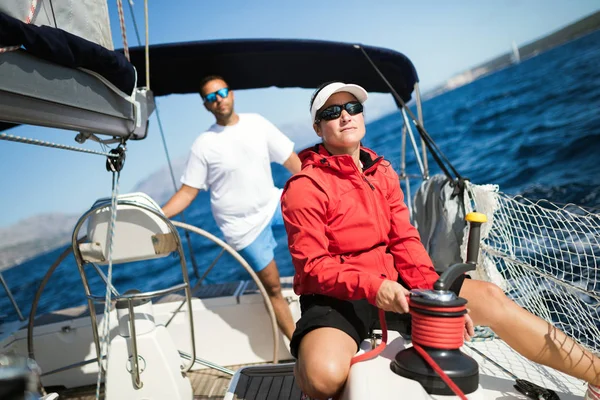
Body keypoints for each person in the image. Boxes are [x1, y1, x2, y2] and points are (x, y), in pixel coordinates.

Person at [280, 81, 600, 400]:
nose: (346, 116)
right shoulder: (304, 187)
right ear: (318, 127)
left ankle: (597, 374)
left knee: (491, 297)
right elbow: (312, 267)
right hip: (337, 299)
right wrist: (373, 288)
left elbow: (405, 241)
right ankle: (304, 362)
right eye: (332, 112)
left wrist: (436, 296)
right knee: (322, 377)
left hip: (399, 286)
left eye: (353, 108)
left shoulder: (383, 172)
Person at [162, 75, 300, 340]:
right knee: (272, 287)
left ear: (232, 93)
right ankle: (298, 348)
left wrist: (327, 191)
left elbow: (293, 163)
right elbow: (188, 192)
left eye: (222, 93)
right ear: (206, 105)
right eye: (211, 98)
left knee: (325, 222)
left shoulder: (257, 123)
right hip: (243, 227)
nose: (218, 100)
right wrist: (157, 216)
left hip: (273, 203)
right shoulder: (203, 144)